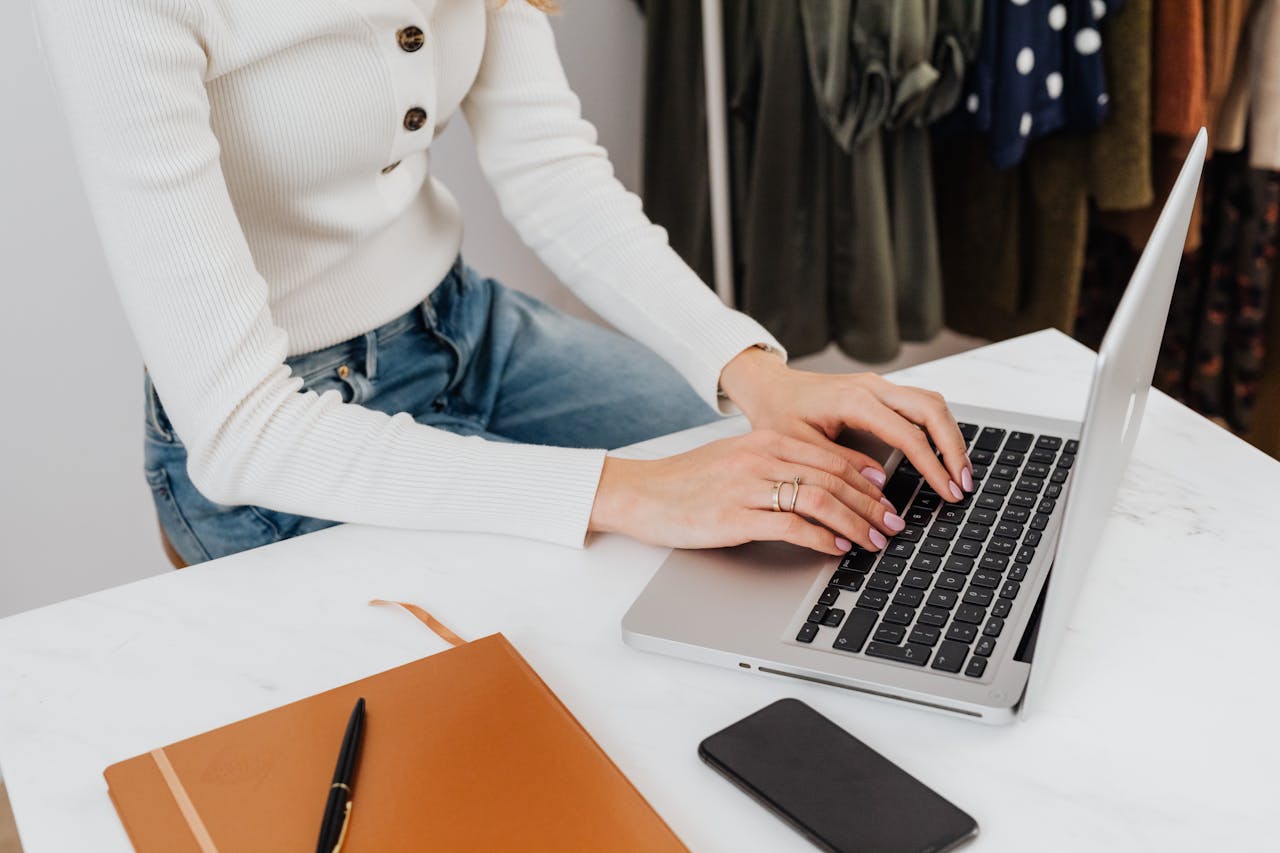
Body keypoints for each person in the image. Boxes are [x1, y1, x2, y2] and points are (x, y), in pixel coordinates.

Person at [35, 0, 974, 566]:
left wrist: (753, 371)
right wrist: (633, 491)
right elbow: (242, 432)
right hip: (285, 423)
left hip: (463, 327)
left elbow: (550, 169)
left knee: (788, 494)